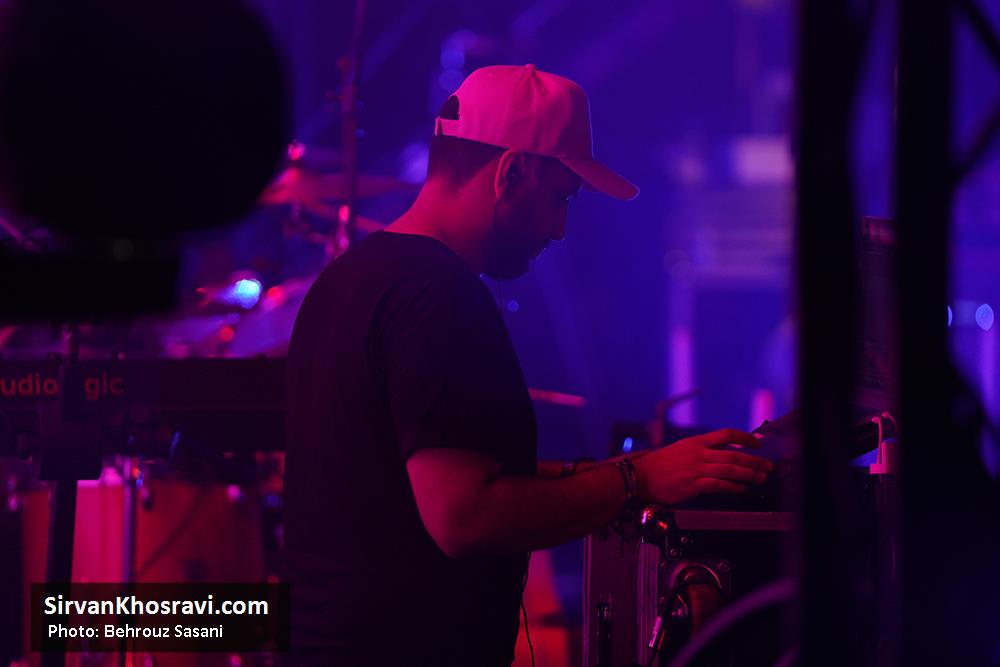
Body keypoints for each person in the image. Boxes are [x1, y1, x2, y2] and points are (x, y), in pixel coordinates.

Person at [282, 64, 773, 666]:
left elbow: (409, 473)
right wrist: (637, 482)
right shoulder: (437, 295)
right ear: (511, 172)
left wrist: (622, 468)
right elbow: (464, 517)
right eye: (560, 197)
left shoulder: (349, 279)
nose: (561, 229)